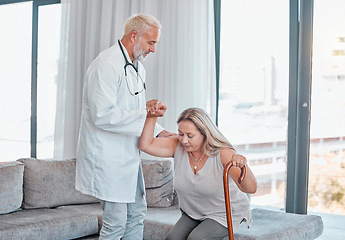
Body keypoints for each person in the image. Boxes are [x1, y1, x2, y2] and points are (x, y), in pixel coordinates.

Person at [75, 14, 174, 240]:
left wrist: (159, 130)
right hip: (107, 159)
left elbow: (135, 110)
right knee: (116, 223)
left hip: (128, 158)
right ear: (134, 35)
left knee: (137, 215)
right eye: (151, 42)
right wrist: (147, 115)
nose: (153, 50)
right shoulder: (106, 64)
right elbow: (102, 115)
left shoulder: (138, 68)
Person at [139, 102, 258, 240]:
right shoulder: (178, 146)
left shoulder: (223, 154)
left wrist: (244, 166)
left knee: (196, 238)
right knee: (172, 238)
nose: (184, 140)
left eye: (190, 136)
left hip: (223, 213)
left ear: (204, 134)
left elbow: (251, 188)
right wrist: (151, 116)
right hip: (194, 211)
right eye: (181, 134)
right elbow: (145, 145)